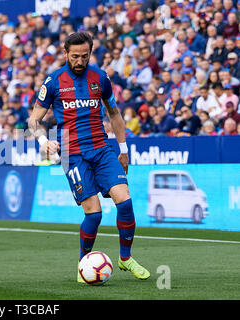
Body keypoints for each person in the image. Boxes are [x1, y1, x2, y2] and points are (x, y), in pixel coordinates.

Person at [27, 31, 150, 282]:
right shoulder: (53, 82)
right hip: (72, 154)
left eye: (84, 56)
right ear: (65, 54)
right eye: (74, 56)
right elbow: (33, 119)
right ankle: (84, 264)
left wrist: (123, 149)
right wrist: (43, 140)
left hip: (102, 148)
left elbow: (114, 114)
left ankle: (125, 259)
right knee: (94, 214)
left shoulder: (101, 78)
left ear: (90, 53)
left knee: (125, 202)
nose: (80, 61)